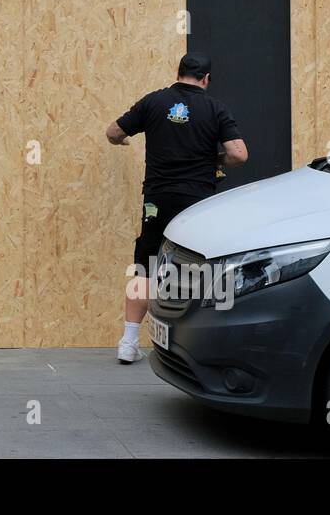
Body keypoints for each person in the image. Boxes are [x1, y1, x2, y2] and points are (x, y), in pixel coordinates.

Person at [105, 52, 248, 364]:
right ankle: (209, 345)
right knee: (205, 266)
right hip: (196, 201)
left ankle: (128, 343)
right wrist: (215, 161)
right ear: (206, 79)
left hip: (158, 199)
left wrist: (122, 143)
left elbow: (113, 132)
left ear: (178, 72)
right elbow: (239, 154)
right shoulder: (215, 108)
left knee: (145, 264)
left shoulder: (154, 102)